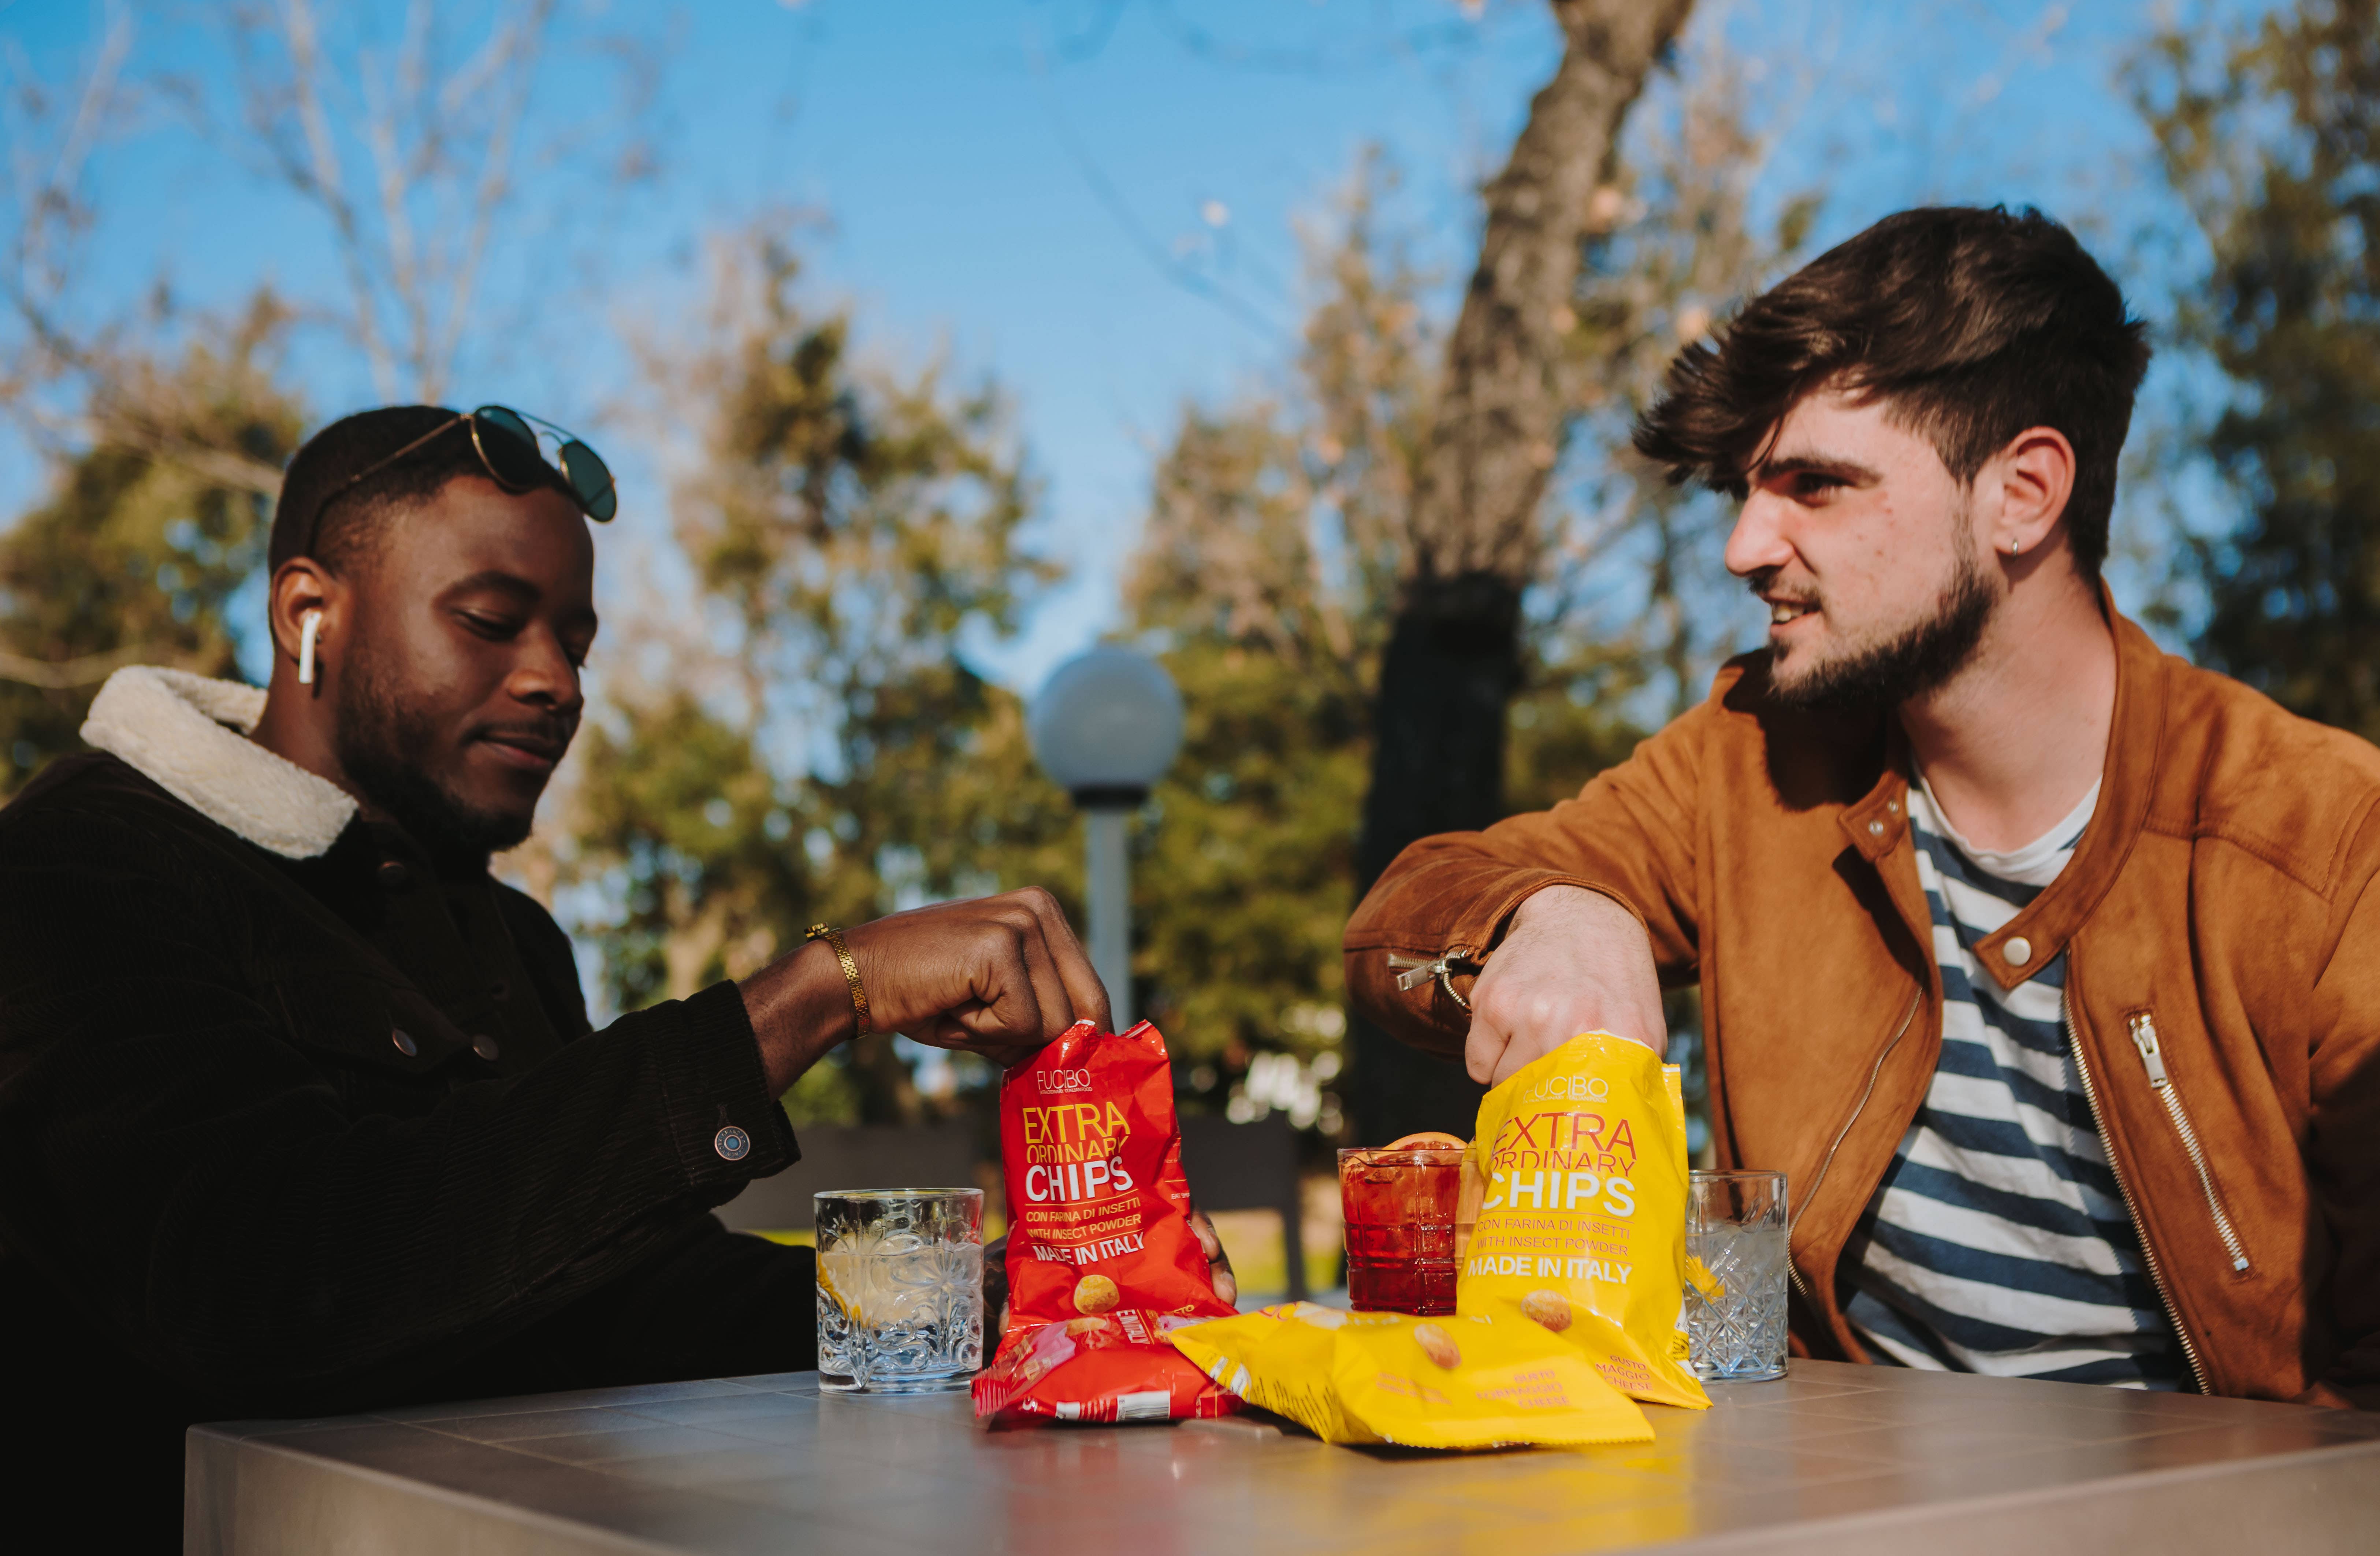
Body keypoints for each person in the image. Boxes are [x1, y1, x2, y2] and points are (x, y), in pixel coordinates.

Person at [0, 405, 1226, 1542]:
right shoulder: (80, 868)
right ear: (307, 613)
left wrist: (1014, 1303)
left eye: (575, 639)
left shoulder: (508, 934)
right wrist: (814, 995)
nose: (556, 682)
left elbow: (628, 1303)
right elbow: (261, 1286)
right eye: (490, 621)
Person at [1346, 207, 2379, 1407]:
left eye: (1813, 486)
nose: (1743, 544)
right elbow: (1403, 922)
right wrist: (1563, 913)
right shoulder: (1755, 761)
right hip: (1823, 1502)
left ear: (2023, 493)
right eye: (1744, 490)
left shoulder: (2323, 837)